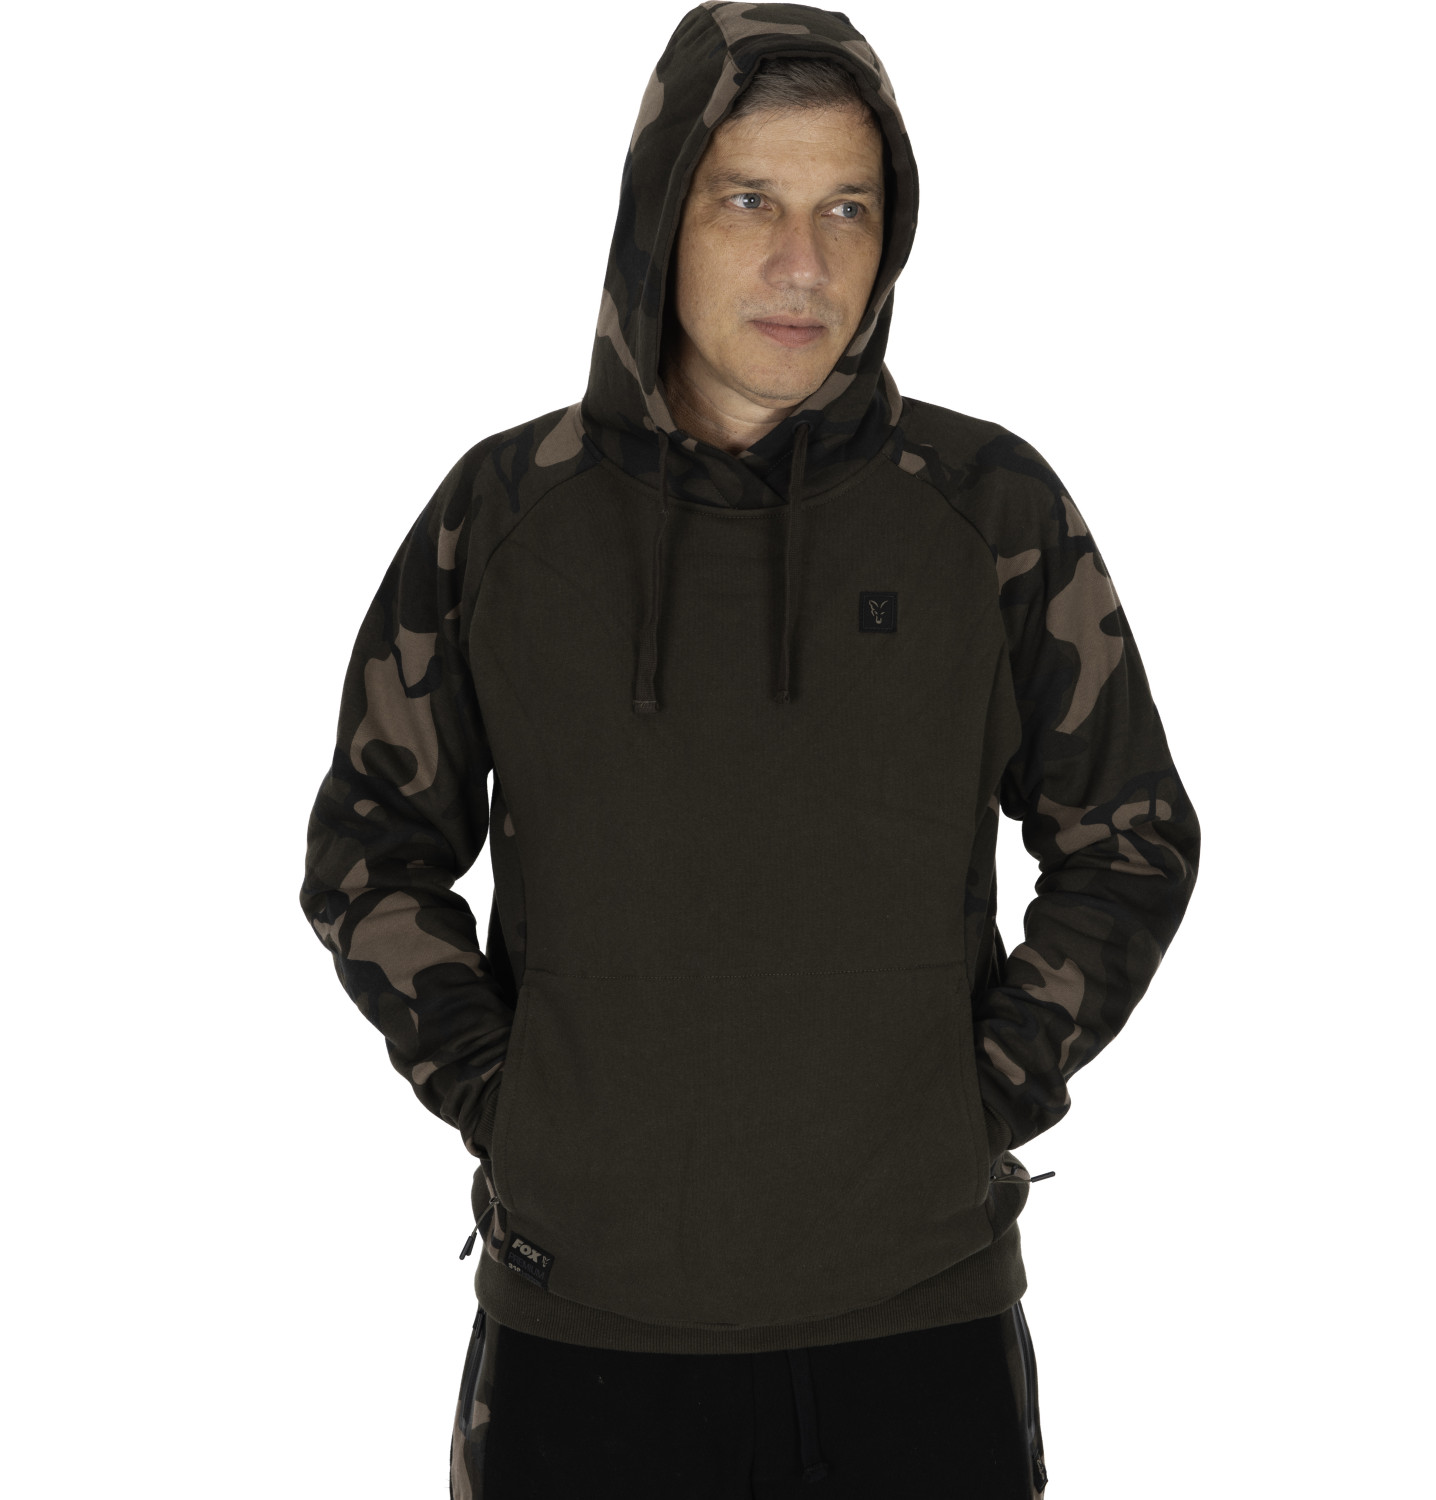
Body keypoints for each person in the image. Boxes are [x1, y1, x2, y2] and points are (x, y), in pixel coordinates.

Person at [299, 4, 1201, 1496]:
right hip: (582, 1330)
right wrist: (512, 1105)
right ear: (662, 216)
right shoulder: (505, 517)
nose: (805, 263)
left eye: (848, 208)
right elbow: (367, 854)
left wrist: (974, 1097)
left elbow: (1132, 840)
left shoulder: (988, 509)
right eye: (749, 202)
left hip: (920, 1328)